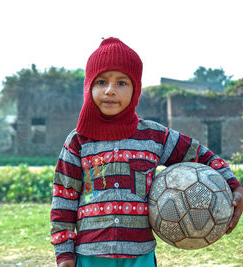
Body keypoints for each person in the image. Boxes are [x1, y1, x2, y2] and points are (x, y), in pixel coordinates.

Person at [50, 37, 243, 267]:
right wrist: (64, 253)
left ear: (135, 89)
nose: (111, 91)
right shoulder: (77, 142)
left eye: (122, 83)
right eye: (101, 82)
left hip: (140, 256)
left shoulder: (154, 136)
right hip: (91, 255)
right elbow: (64, 196)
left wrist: (233, 183)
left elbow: (202, 154)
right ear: (89, 86)